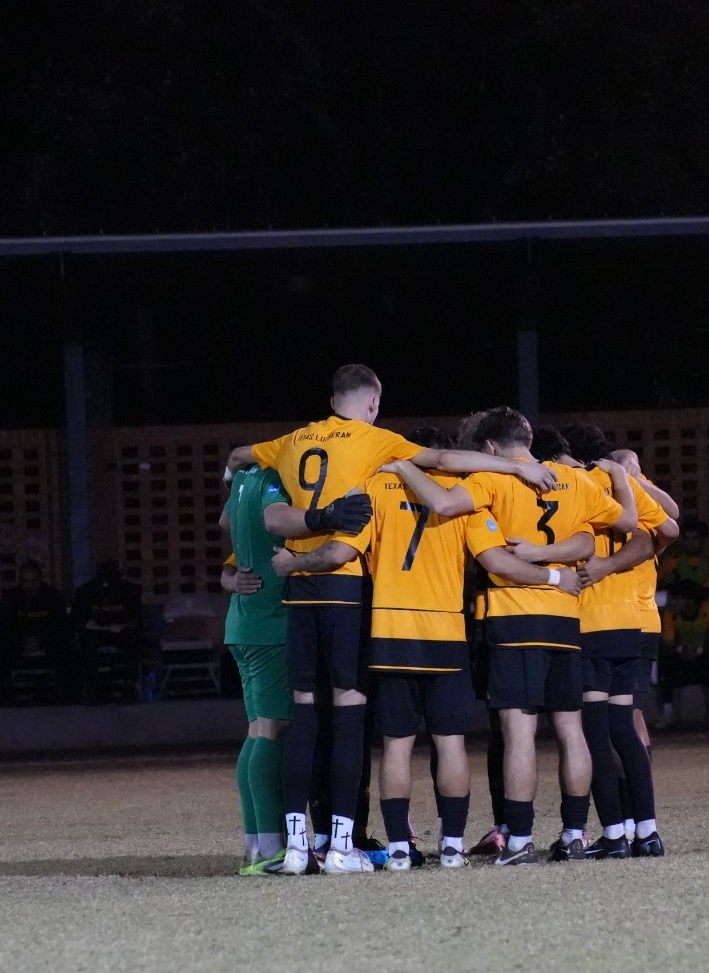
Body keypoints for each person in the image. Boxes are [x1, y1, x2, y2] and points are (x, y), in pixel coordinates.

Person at [226, 364, 557, 876]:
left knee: (310, 718)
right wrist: (517, 469)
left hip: (324, 605)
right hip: (387, 610)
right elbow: (448, 470)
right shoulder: (381, 446)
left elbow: (246, 462)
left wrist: (286, 552)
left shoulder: (294, 443)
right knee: (376, 721)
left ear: (333, 396)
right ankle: (367, 845)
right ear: (374, 403)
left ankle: (302, 846)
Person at [275, 432, 518, 870]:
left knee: (396, 746)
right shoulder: (462, 495)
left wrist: (292, 563)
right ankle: (452, 846)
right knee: (451, 744)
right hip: (445, 630)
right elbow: (494, 558)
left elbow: (341, 551)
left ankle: (400, 850)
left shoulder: (375, 487)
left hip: (390, 631)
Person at [462, 406, 635, 865]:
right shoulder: (572, 480)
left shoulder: (487, 479)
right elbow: (608, 533)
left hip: (514, 619)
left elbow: (496, 561)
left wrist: (540, 565)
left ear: (490, 448)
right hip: (566, 621)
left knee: (518, 734)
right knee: (570, 729)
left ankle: (518, 840)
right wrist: (557, 565)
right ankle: (574, 834)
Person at [564, 424, 679, 860]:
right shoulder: (622, 486)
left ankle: (615, 833)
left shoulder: (576, 485)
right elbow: (666, 529)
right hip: (635, 621)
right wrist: (631, 476)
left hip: (592, 620)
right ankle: (645, 830)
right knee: (627, 726)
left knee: (595, 734)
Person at [219, 462, 291, 875]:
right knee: (273, 730)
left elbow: (228, 525)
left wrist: (229, 578)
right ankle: (269, 849)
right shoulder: (275, 481)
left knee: (257, 731)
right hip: (268, 626)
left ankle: (255, 845)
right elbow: (276, 521)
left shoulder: (245, 483)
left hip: (244, 625)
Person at [0, 560, 69, 703]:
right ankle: (4, 701)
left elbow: (61, 627)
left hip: (48, 642)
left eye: (34, 580)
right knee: (1, 654)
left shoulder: (53, 597)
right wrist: (23, 643)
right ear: (20, 581)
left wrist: (41, 642)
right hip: (19, 642)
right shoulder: (10, 598)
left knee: (66, 652)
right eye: (26, 581)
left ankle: (65, 699)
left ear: (40, 579)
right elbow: (5, 627)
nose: (30, 585)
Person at [71, 560, 146, 701]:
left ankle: (129, 685)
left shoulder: (129, 590)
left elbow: (137, 619)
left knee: (133, 641)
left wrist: (123, 626)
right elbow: (77, 620)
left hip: (121, 632)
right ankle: (92, 686)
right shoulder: (86, 591)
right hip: (95, 632)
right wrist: (92, 625)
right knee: (86, 643)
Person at [659, 580, 709, 727]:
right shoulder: (670, 615)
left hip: (703, 657)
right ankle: (667, 711)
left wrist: (697, 650)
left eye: (676, 599)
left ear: (689, 601)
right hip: (682, 657)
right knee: (664, 660)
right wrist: (682, 650)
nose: (671, 603)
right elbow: (668, 644)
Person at [659, 518, 709, 594]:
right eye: (687, 539)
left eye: (695, 538)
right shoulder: (671, 563)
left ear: (703, 540)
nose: (690, 543)